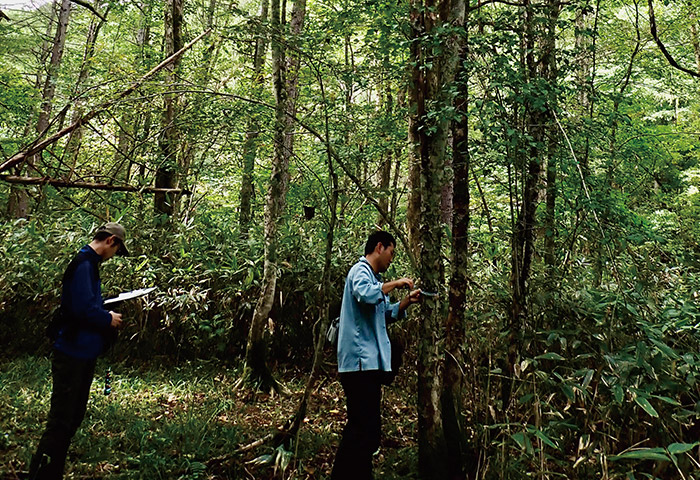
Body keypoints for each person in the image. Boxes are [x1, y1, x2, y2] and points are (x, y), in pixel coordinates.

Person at [28, 222, 128, 480]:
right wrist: (108, 319)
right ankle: (42, 474)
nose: (114, 255)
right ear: (111, 242)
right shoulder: (84, 265)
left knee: (72, 418)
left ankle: (52, 472)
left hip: (83, 353)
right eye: (117, 249)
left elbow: (84, 303)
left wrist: (103, 309)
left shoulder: (89, 265)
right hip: (71, 353)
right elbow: (82, 309)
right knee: (61, 420)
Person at [331, 230, 423, 480]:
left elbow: (381, 315)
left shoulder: (374, 279)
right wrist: (394, 284)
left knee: (367, 430)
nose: (392, 258)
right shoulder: (360, 272)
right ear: (380, 247)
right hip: (358, 365)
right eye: (392, 252)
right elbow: (366, 294)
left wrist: (405, 302)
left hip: (370, 366)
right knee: (361, 429)